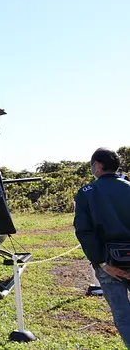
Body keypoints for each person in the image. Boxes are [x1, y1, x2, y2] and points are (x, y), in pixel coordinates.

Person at [74, 147, 130, 347]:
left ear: (97, 165)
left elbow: (84, 232)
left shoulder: (86, 193)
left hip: (109, 262)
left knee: (123, 315)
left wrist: (102, 263)